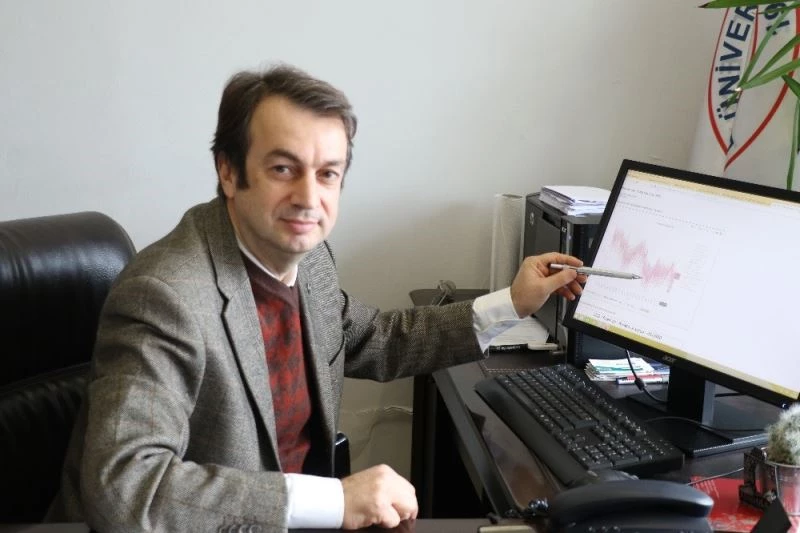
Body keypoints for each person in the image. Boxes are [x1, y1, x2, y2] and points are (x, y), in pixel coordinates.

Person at [47, 64, 584, 532]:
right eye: (283, 169)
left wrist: (512, 304)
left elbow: (375, 338)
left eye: (328, 174)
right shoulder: (165, 296)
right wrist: (335, 500)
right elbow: (126, 489)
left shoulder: (310, 259)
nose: (309, 198)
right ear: (228, 171)